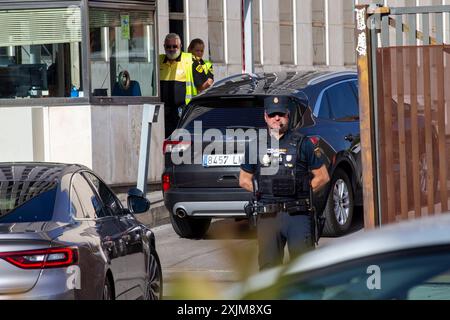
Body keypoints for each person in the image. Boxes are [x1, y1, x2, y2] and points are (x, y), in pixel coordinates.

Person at [239, 96, 330, 271]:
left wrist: (302, 189)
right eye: (272, 115)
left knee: (303, 268)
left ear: (288, 115)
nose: (277, 118)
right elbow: (244, 179)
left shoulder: (303, 144)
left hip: (297, 215)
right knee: (268, 269)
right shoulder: (255, 145)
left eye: (281, 114)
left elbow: (323, 176)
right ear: (265, 117)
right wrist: (262, 189)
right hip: (268, 216)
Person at [159, 33, 210, 138]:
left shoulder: (189, 60)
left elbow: (205, 84)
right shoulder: (158, 61)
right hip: (163, 113)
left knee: (181, 144)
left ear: (180, 46)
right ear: (164, 46)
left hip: (183, 112)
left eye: (175, 46)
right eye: (168, 46)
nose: (172, 49)